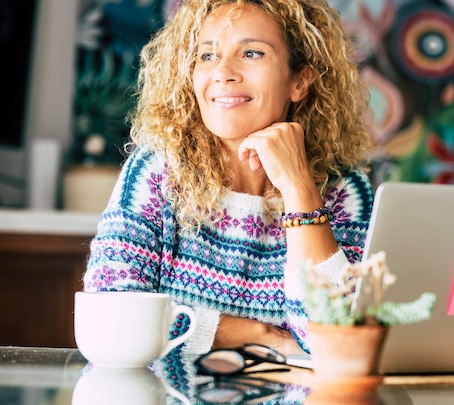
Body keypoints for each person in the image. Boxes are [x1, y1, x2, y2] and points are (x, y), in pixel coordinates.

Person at [83, 0, 374, 357]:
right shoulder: (156, 171)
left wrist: (300, 191)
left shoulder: (345, 191)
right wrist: (261, 334)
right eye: (207, 56)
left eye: (251, 53)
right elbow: (113, 315)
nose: (223, 72)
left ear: (298, 81)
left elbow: (339, 343)